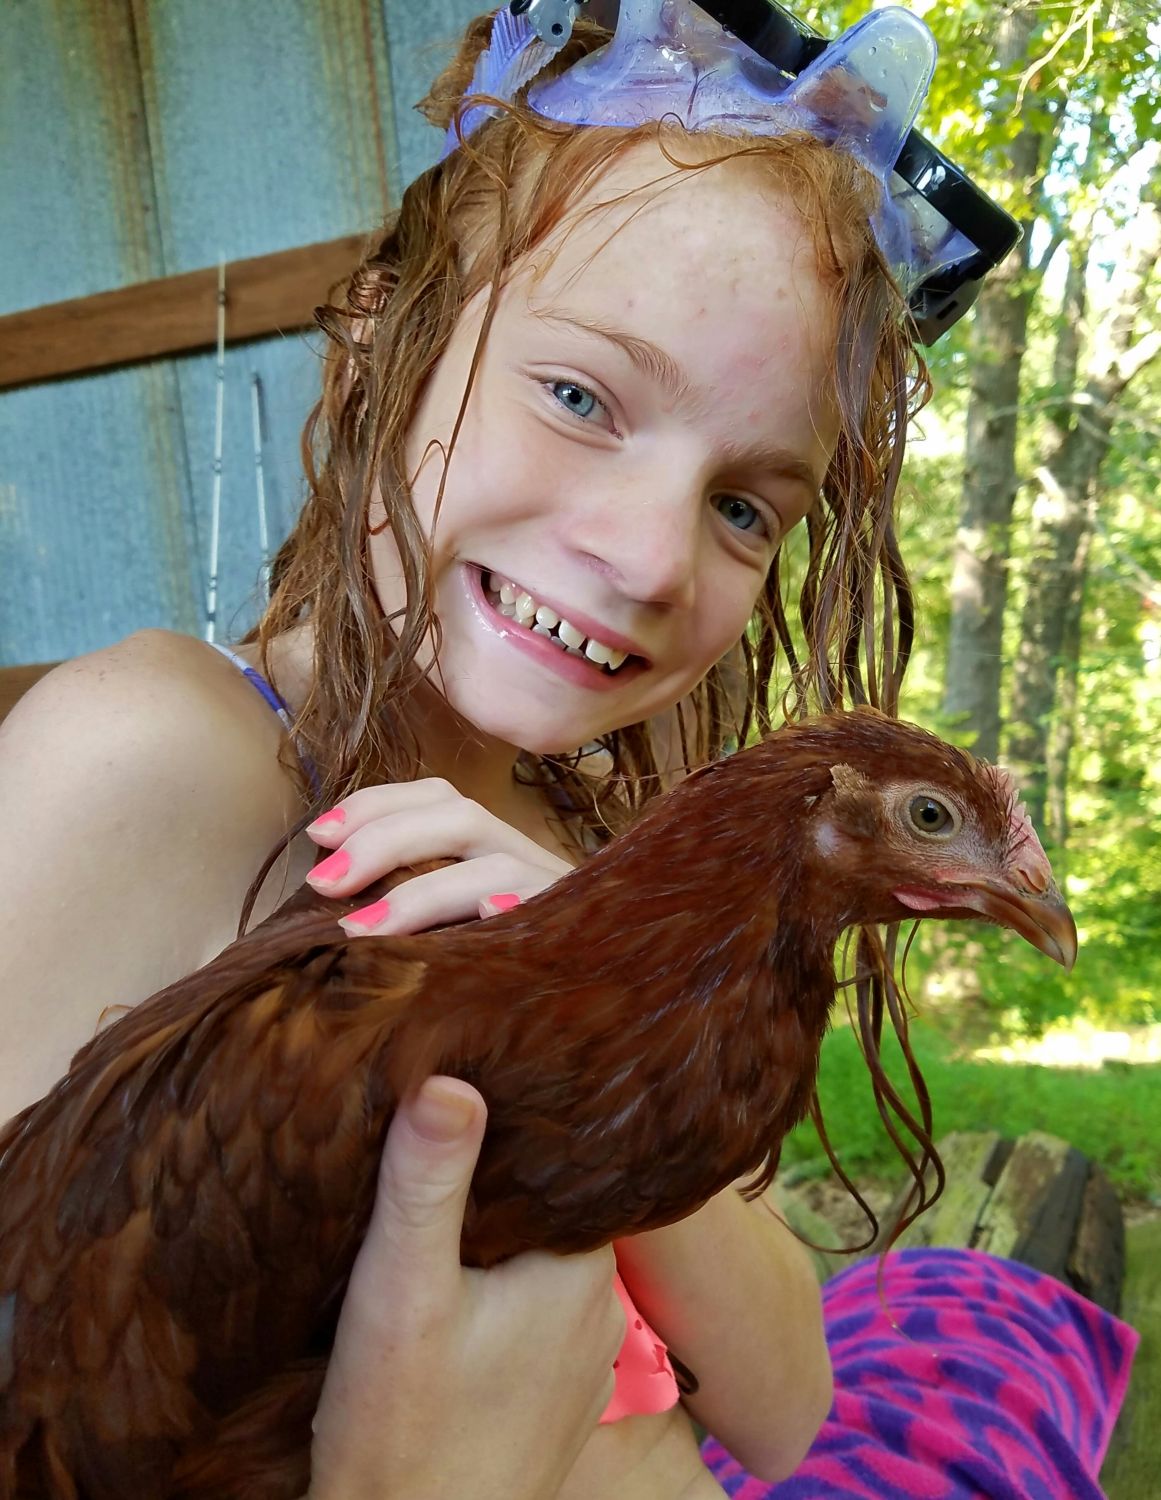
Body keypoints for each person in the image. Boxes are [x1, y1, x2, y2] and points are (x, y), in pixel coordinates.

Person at [0, 2, 1134, 1496]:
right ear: (382, 341)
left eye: (744, 506)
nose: (648, 556)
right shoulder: (153, 760)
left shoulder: (583, 837)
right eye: (582, 396)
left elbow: (786, 1404)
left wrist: (587, 992)